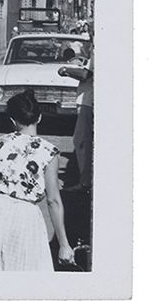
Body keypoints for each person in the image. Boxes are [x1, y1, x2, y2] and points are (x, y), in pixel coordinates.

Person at [0, 91, 75, 270]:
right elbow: (53, 200)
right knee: (23, 271)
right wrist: (64, 244)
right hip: (25, 216)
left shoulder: (2, 142)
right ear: (39, 118)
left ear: (12, 120)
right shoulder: (48, 151)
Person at [59, 44, 94, 192]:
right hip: (87, 98)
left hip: (88, 100)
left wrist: (67, 70)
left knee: (81, 141)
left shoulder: (99, 48)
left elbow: (87, 74)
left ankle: (85, 182)